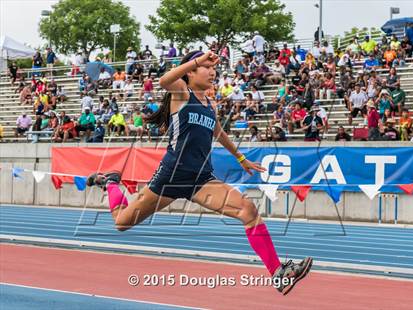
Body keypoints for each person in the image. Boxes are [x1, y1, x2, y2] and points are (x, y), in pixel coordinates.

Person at [86, 50, 313, 295]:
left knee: (248, 210)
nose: (213, 72)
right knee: (121, 222)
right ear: (191, 72)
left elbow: (218, 132)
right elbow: (163, 81)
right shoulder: (182, 94)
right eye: (207, 68)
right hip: (171, 178)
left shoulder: (209, 103)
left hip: (201, 180)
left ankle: (277, 273)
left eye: (214, 69)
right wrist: (196, 60)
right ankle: (110, 182)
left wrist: (241, 158)